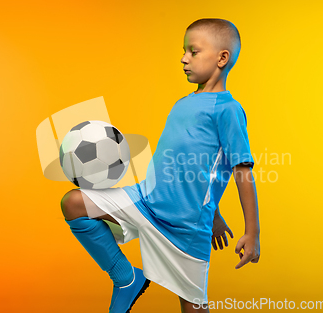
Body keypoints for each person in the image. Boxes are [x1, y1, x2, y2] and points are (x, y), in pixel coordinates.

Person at [61, 18, 261, 313]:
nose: (183, 58)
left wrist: (252, 231)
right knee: (74, 203)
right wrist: (217, 211)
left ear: (222, 58)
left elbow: (240, 169)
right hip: (145, 201)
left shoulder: (228, 110)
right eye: (183, 51)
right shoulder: (182, 103)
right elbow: (195, 167)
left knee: (193, 309)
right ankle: (126, 280)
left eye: (193, 51)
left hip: (184, 229)